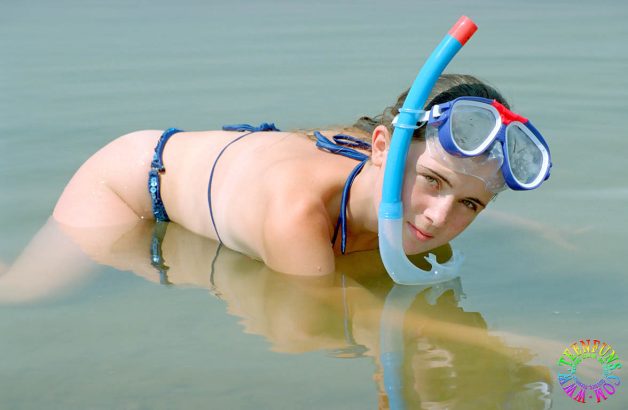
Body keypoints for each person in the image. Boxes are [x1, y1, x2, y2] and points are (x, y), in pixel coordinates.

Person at [52, 74, 549, 277]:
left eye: (470, 204)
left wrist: (535, 230)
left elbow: (446, 195)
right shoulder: (297, 214)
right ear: (382, 148)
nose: (439, 217)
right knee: (27, 297)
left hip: (226, 173)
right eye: (433, 181)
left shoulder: (400, 183)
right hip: (133, 182)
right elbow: (326, 314)